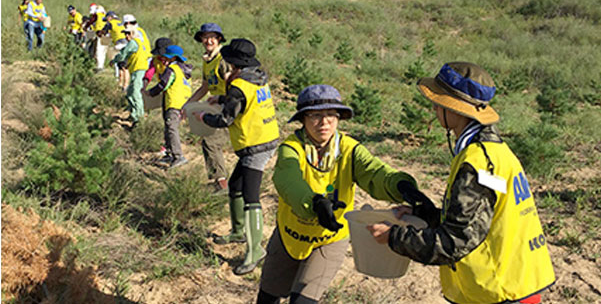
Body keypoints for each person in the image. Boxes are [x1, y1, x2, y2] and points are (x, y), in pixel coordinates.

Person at [367, 62, 556, 304]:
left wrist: (394, 237)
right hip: (516, 283)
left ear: (455, 109)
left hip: (497, 291)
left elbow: (455, 242)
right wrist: (425, 215)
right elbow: (480, 218)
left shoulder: (476, 163)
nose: (434, 108)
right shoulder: (495, 152)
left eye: (438, 102)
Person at [256, 84, 418, 304]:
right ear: (303, 119)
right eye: (315, 115)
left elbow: (374, 172)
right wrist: (314, 203)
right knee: (268, 297)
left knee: (302, 301)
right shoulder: (292, 148)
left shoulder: (350, 149)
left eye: (331, 115)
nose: (324, 123)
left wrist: (399, 185)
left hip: (330, 239)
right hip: (290, 235)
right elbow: (288, 179)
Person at [194, 38, 279, 275]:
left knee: (251, 197)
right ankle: (239, 232)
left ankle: (255, 251)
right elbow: (245, 103)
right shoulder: (257, 76)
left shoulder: (239, 85)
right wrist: (221, 99)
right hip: (267, 135)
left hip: (255, 144)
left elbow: (225, 119)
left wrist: (204, 118)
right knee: (235, 185)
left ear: (233, 62)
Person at [183, 23, 232, 191]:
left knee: (211, 142)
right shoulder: (208, 61)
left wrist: (223, 100)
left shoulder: (222, 60)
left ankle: (222, 184)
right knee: (209, 141)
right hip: (215, 105)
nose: (208, 40)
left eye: (212, 37)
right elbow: (204, 87)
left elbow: (232, 85)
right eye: (205, 37)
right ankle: (219, 180)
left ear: (219, 39)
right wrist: (188, 104)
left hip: (227, 105)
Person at [144, 44, 193, 169]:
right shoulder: (185, 70)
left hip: (173, 102)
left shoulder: (172, 69)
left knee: (171, 129)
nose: (164, 60)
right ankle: (170, 154)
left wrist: (150, 93)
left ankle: (178, 156)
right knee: (169, 128)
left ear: (173, 58)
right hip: (183, 102)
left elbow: (163, 85)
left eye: (167, 58)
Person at [109, 23, 152, 127]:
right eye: (125, 34)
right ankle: (134, 113)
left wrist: (114, 60)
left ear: (133, 33)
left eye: (128, 33)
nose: (126, 36)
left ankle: (139, 118)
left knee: (136, 93)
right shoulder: (140, 42)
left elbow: (123, 54)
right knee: (130, 92)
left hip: (139, 69)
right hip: (138, 69)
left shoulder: (133, 43)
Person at [101, 11, 128, 84]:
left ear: (110, 17)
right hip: (127, 43)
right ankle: (125, 84)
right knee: (125, 66)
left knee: (117, 62)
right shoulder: (121, 23)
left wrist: (100, 34)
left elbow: (103, 32)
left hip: (119, 44)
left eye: (107, 19)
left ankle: (117, 79)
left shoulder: (111, 23)